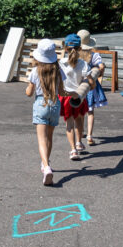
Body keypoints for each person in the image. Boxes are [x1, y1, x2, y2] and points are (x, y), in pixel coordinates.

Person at [25, 38, 64, 186]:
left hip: (41, 103)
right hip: (54, 103)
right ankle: (45, 163)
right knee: (49, 137)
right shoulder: (58, 71)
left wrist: (28, 88)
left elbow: (29, 92)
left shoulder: (35, 71)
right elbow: (61, 91)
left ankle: (46, 166)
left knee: (41, 139)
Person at [59, 33, 92, 161]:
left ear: (65, 48)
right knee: (80, 119)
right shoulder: (83, 63)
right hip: (79, 95)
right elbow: (89, 79)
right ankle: (79, 142)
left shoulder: (61, 63)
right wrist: (92, 84)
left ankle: (73, 150)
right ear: (79, 49)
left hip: (66, 97)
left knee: (69, 124)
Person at [77, 29, 107, 146]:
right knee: (90, 111)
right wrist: (100, 73)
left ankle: (80, 133)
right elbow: (101, 66)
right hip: (90, 85)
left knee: (80, 112)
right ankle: (89, 135)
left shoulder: (75, 55)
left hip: (78, 85)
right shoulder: (93, 55)